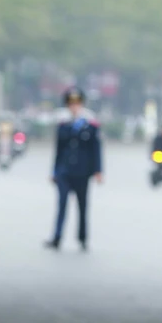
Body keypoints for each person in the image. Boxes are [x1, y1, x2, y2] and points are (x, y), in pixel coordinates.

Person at [47, 87, 102, 252]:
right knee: (62, 204)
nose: (74, 106)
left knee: (82, 206)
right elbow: (58, 149)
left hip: (83, 172)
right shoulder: (63, 124)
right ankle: (57, 238)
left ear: (81, 104)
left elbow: (96, 149)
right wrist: (54, 171)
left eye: (77, 103)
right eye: (71, 103)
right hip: (65, 171)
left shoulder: (90, 124)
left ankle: (83, 238)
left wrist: (98, 171)